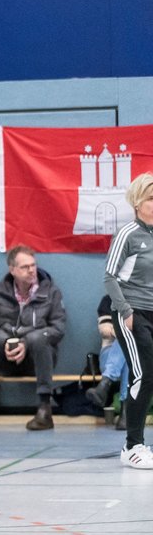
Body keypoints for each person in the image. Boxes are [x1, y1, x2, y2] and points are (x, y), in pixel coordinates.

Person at [0, 246, 67, 432]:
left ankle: (45, 410)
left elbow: (58, 329)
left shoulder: (51, 292)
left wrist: (26, 343)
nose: (31, 270)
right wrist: (6, 343)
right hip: (5, 359)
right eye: (25, 267)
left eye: (33, 265)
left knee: (39, 338)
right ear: (12, 270)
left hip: (37, 359)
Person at [103, 172, 153, 469]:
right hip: (132, 314)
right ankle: (132, 445)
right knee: (143, 374)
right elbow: (110, 277)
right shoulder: (127, 234)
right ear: (137, 203)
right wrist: (126, 312)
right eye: (151, 198)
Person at [88, 294, 128, 420]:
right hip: (110, 356)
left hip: (141, 358)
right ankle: (125, 414)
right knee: (127, 346)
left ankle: (104, 384)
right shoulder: (109, 300)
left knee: (131, 351)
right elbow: (105, 329)